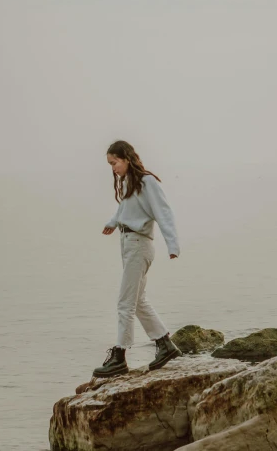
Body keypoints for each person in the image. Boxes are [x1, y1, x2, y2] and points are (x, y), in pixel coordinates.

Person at [92, 140, 182, 378]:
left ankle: (120, 356)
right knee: (138, 300)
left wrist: (172, 245)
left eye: (115, 163)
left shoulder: (146, 181)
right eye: (110, 164)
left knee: (125, 302)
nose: (113, 168)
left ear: (127, 158)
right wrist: (113, 223)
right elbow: (125, 209)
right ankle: (165, 345)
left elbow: (163, 212)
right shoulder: (127, 182)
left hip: (140, 245)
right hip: (128, 243)